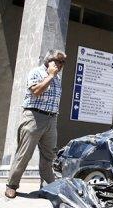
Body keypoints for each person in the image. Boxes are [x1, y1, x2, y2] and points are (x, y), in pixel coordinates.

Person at [5, 49, 67, 199]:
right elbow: (36, 91)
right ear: (49, 61)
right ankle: (12, 185)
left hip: (51, 119)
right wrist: (50, 76)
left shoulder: (57, 78)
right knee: (24, 153)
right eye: (58, 61)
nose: (60, 65)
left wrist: (53, 76)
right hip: (34, 117)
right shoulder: (36, 73)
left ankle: (47, 188)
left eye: (63, 62)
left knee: (49, 156)